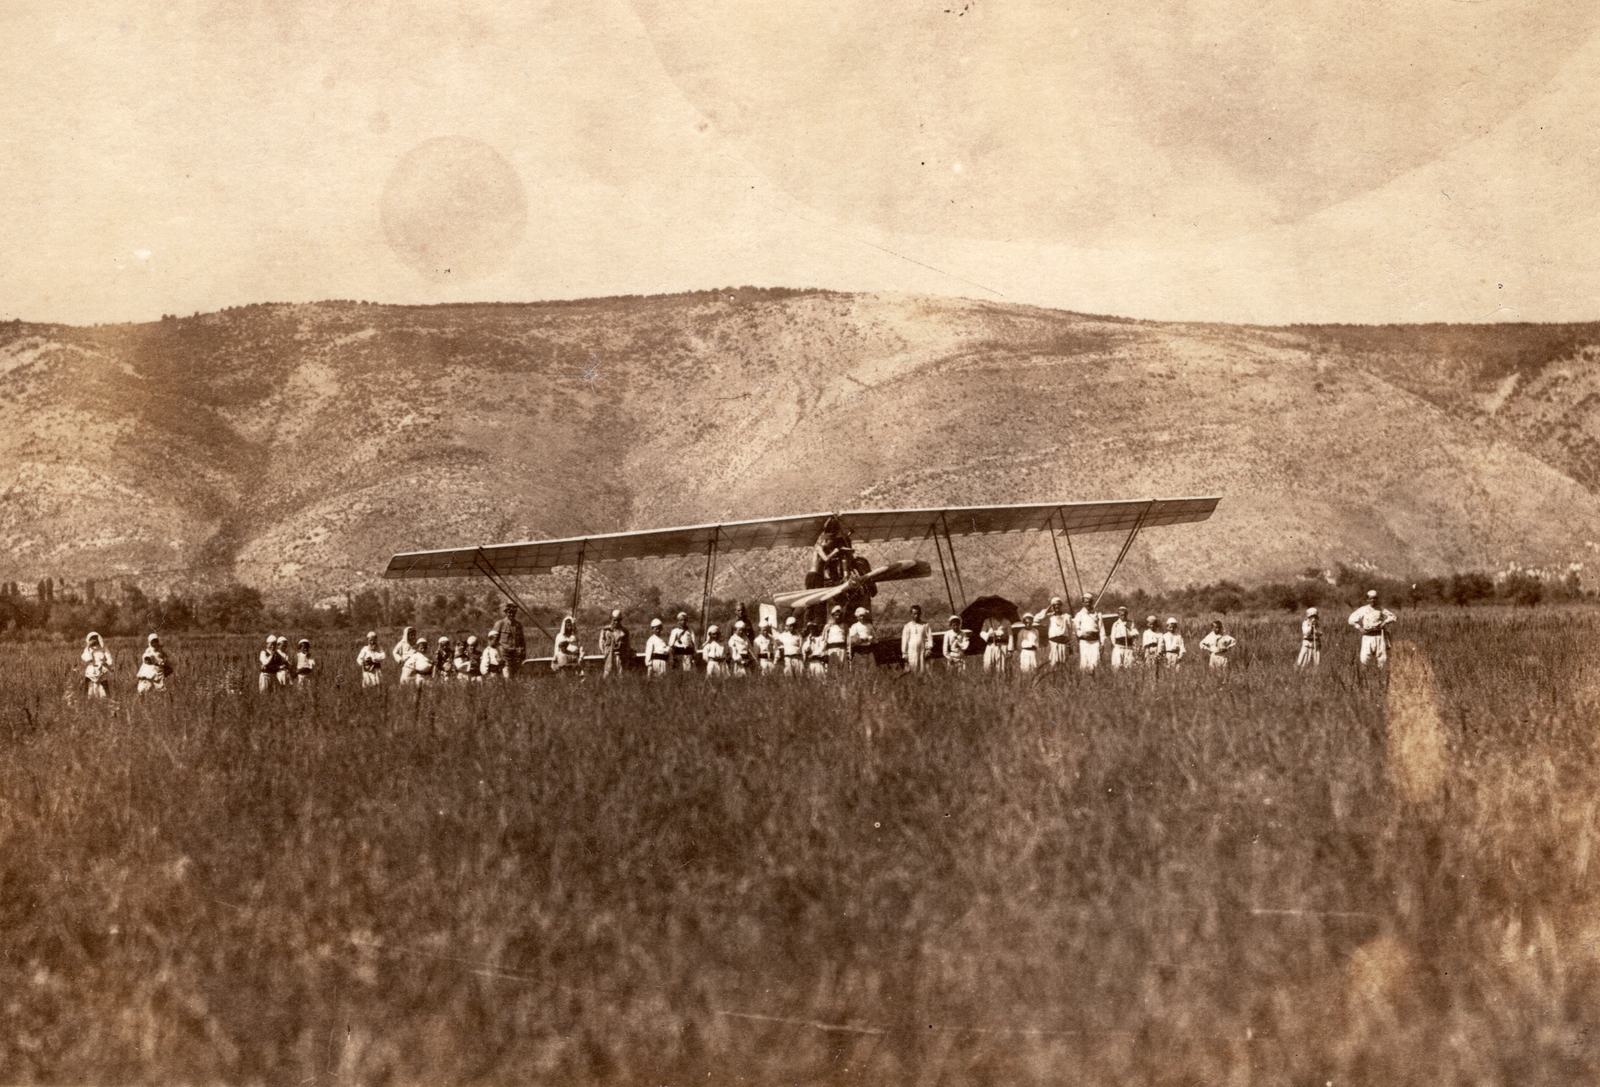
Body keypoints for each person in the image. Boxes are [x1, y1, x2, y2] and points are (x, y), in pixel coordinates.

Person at [1348, 590, 1396, 668]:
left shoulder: (1381, 609)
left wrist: (1385, 622)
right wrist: (1359, 628)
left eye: (1374, 598)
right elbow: (1351, 620)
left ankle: (1380, 675)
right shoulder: (1363, 609)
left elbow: (1393, 617)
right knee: (1364, 658)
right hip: (1367, 636)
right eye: (1370, 598)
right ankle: (1365, 676)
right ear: (1367, 599)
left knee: (1381, 658)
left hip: (1379, 636)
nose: (1372, 600)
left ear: (1377, 599)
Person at [491, 604, 527, 677]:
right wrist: (497, 654)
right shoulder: (500, 624)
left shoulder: (518, 625)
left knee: (516, 673)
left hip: (516, 653)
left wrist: (523, 651)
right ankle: (507, 686)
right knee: (506, 673)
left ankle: (513, 687)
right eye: (509, 612)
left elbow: (522, 640)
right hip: (504, 653)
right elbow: (493, 641)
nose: (511, 614)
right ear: (506, 612)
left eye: (513, 612)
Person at [1073, 595, 1105, 672]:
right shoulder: (1079, 615)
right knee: (1084, 662)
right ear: (1083, 603)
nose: (1087, 604)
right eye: (1086, 602)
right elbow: (1076, 628)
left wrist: (1102, 644)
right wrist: (1082, 634)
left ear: (1092, 602)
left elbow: (1102, 629)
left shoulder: (1097, 614)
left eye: (1089, 602)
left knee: (1095, 662)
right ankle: (1085, 681)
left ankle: (1095, 681)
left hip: (1095, 642)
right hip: (1084, 642)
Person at [599, 611, 632, 676]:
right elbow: (601, 642)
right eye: (614, 620)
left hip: (620, 656)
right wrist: (605, 652)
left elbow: (628, 644)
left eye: (619, 620)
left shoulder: (624, 631)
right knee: (607, 674)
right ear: (611, 619)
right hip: (609, 655)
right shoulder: (605, 630)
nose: (616, 622)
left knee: (621, 675)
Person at [901, 605, 933, 672]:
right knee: (912, 668)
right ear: (911, 614)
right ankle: (913, 681)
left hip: (922, 650)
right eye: (914, 614)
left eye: (918, 614)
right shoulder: (907, 626)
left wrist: (928, 649)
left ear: (920, 614)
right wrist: (905, 653)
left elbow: (929, 638)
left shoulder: (925, 625)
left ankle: (923, 681)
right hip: (911, 651)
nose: (916, 616)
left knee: (923, 668)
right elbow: (905, 640)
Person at [82, 632, 114, 698]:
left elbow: (110, 658)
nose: (94, 641)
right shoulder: (88, 649)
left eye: (95, 639)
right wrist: (88, 646)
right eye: (91, 639)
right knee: (89, 686)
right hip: (91, 670)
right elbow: (87, 658)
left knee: (104, 687)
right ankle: (88, 700)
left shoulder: (104, 648)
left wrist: (106, 663)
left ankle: (105, 700)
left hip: (101, 669)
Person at [1043, 597, 1072, 668]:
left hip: (1063, 643)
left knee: (1064, 663)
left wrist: (1070, 646)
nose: (1056, 606)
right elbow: (1037, 619)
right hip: (1053, 643)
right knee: (1054, 663)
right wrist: (1049, 608)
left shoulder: (1066, 616)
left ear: (1061, 605)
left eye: (1058, 604)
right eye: (1054, 605)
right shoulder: (1049, 617)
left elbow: (1070, 632)